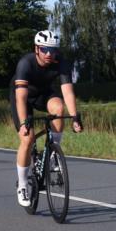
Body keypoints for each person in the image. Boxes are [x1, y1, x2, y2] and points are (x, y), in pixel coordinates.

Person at [10, 30, 83, 207]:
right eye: (44, 49)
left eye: (52, 50)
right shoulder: (25, 64)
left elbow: (67, 91)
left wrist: (74, 117)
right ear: (37, 49)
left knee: (59, 108)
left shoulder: (61, 62)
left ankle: (53, 152)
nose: (49, 54)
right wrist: (23, 123)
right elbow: (20, 97)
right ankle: (22, 184)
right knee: (27, 139)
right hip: (23, 97)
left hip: (44, 94)